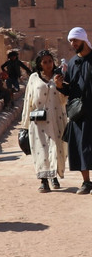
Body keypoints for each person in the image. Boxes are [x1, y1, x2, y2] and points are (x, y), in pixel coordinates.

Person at [19, 50, 66, 192]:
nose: (48, 65)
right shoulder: (34, 78)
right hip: (38, 121)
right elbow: (28, 101)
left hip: (56, 119)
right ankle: (43, 180)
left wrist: (60, 86)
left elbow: (64, 100)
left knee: (56, 148)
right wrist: (25, 125)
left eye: (50, 61)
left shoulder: (59, 77)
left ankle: (54, 176)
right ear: (39, 64)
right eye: (44, 62)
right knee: (41, 150)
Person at [57, 26, 92, 194]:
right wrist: (59, 86)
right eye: (70, 40)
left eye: (75, 40)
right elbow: (69, 89)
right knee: (81, 146)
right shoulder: (72, 62)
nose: (72, 43)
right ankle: (86, 182)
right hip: (79, 112)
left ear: (83, 40)